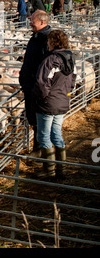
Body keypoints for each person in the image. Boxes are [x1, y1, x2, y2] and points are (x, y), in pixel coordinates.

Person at [32, 29, 76, 179]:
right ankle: (61, 170)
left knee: (44, 136)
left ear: (53, 42)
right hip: (62, 101)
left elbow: (41, 82)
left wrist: (42, 98)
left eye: (49, 41)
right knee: (56, 133)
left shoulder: (50, 59)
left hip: (48, 103)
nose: (48, 43)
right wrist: (66, 94)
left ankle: (49, 171)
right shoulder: (70, 57)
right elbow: (73, 80)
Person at [19, 10, 52, 153]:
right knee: (34, 119)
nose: (30, 22)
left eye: (33, 20)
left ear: (42, 22)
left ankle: (41, 153)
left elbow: (47, 65)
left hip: (37, 87)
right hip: (30, 85)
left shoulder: (46, 39)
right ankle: (38, 150)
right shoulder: (36, 37)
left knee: (40, 120)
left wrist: (38, 84)